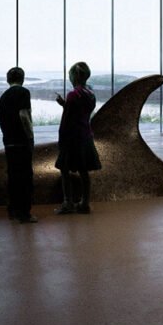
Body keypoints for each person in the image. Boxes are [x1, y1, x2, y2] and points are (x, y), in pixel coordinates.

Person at [54, 61, 102, 214]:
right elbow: (80, 112)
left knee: (65, 170)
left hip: (72, 137)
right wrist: (65, 104)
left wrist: (62, 139)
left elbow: (68, 118)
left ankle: (68, 203)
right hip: (85, 135)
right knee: (83, 170)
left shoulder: (73, 94)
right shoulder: (90, 93)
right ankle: (85, 203)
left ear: (74, 76)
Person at [0, 67, 36, 223]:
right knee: (26, 176)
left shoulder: (4, 96)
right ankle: (25, 213)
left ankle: (13, 208)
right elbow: (24, 115)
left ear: (8, 80)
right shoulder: (23, 93)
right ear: (22, 79)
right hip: (22, 141)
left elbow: (1, 120)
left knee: (13, 176)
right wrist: (30, 137)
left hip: (9, 141)